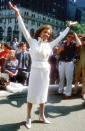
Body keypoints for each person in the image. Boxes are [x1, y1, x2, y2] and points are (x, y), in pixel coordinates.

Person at [8, 1, 78, 129]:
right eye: (45, 32)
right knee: (32, 94)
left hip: (45, 71)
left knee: (43, 94)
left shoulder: (49, 44)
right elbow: (23, 28)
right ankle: (28, 117)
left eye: (49, 33)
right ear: (40, 32)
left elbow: (61, 37)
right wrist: (17, 13)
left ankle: (41, 115)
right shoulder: (32, 41)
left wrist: (69, 26)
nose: (47, 34)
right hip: (35, 71)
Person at [56, 32, 81, 99]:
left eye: (71, 37)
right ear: (66, 37)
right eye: (69, 36)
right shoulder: (62, 43)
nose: (70, 38)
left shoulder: (74, 44)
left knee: (69, 79)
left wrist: (75, 35)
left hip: (69, 63)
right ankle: (60, 90)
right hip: (62, 62)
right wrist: (60, 50)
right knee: (61, 78)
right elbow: (57, 53)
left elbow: (79, 44)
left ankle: (68, 93)